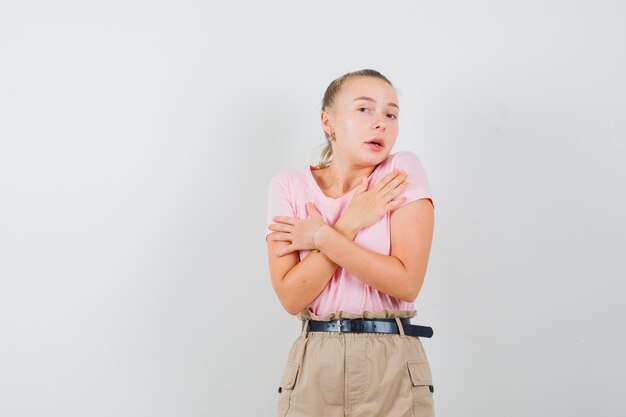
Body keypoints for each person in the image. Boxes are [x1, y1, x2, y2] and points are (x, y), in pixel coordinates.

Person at [265, 69, 436, 417]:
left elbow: (406, 282)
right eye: (364, 109)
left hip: (390, 359)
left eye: (391, 114)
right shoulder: (288, 186)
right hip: (315, 360)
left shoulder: (400, 171)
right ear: (328, 121)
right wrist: (350, 222)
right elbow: (292, 296)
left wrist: (321, 236)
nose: (381, 123)